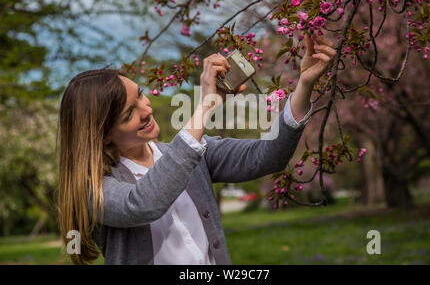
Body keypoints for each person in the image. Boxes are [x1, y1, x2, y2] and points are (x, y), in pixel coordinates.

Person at [57, 34, 336, 265]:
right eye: (130, 113)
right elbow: (143, 203)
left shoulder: (192, 154)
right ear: (104, 136)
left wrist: (304, 85)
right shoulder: (94, 188)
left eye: (141, 94)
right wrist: (205, 106)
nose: (146, 109)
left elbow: (268, 156)